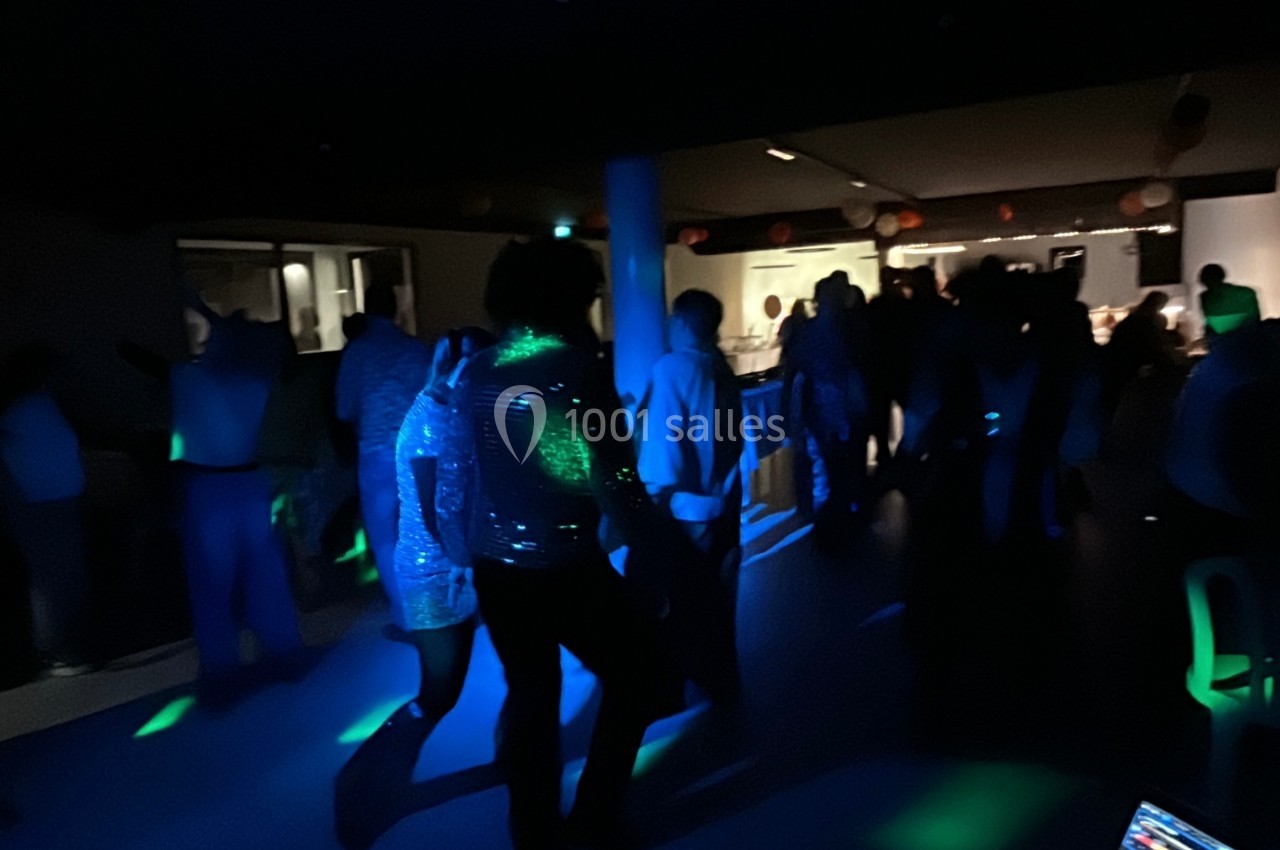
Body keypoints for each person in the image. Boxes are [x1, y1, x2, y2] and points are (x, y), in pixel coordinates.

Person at [437, 238, 683, 849]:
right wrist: (649, 556)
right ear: (569, 296)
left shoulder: (476, 370)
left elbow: (456, 471)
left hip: (498, 567)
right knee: (638, 677)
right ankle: (596, 818)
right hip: (567, 561)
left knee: (531, 693)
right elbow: (616, 479)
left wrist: (459, 549)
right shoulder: (577, 369)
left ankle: (534, 832)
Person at [334, 327, 495, 850]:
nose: (480, 373)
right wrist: (464, 563)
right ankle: (362, 787)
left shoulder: (458, 411)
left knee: (447, 689)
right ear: (450, 362)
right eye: (472, 364)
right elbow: (427, 511)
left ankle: (370, 779)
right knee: (437, 694)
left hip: (456, 567)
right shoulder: (429, 416)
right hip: (434, 572)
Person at [120, 297, 302, 697]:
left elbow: (143, 361)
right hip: (253, 483)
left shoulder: (189, 378)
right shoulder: (258, 380)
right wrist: (206, 309)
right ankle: (284, 655)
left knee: (211, 583)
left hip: (207, 489)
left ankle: (222, 672)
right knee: (266, 575)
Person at [636, 289, 744, 710]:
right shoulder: (720, 367)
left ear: (680, 323)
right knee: (716, 598)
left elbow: (665, 449)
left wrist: (652, 501)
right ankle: (720, 682)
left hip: (685, 508)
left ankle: (673, 690)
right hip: (722, 502)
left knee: (678, 603)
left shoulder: (671, 369)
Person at [335, 281, 431, 614]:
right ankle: (434, 607)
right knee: (421, 530)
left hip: (375, 453)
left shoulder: (357, 352)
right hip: (416, 453)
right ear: (395, 309)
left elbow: (343, 408)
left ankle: (407, 617)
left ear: (366, 308)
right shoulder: (416, 350)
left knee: (385, 537)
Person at [0, 346, 94, 677]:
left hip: (60, 501)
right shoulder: (15, 409)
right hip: (37, 505)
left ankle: (65, 648)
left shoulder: (40, 404)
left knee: (66, 577)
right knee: (50, 581)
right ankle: (53, 653)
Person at [790, 271, 870, 549]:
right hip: (834, 413)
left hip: (828, 413)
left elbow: (796, 376)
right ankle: (837, 522)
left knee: (829, 469)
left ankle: (831, 524)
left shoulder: (812, 332)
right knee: (835, 468)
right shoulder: (851, 328)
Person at [1102, 291, 1182, 417]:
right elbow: (1153, 348)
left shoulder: (1134, 319)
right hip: (1130, 371)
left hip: (1122, 369)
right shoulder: (1145, 323)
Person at [1199, 263, 1261, 339]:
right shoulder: (1247, 293)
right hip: (1248, 339)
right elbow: (1256, 321)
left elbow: (1211, 327)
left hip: (1225, 342)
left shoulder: (1205, 297)